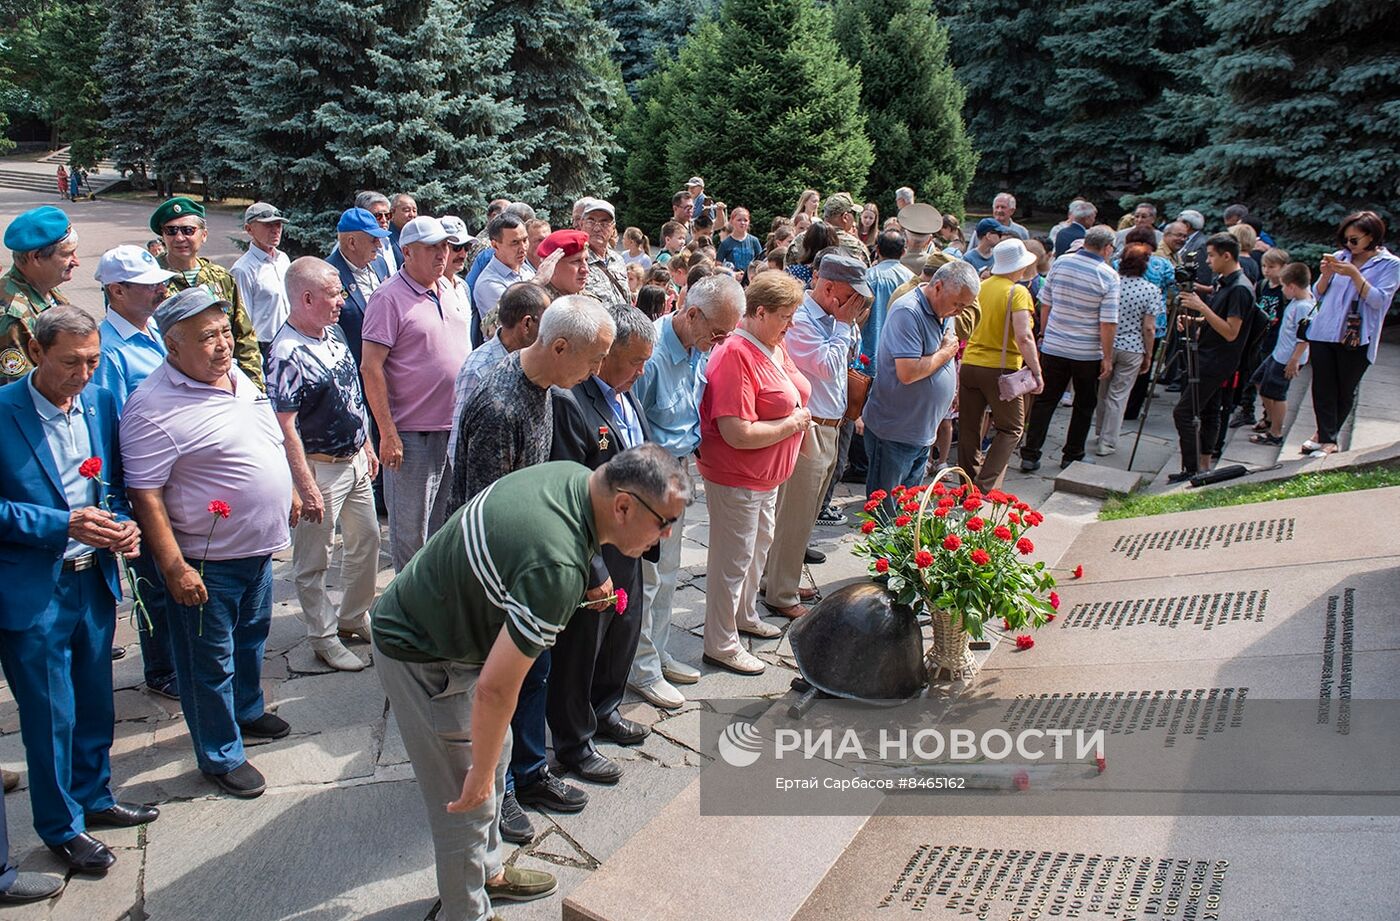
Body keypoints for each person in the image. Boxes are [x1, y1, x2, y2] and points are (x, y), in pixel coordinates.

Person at [371, 445, 688, 921]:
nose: (664, 536)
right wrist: (477, 775)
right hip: (422, 652)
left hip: (451, 629)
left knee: (496, 761)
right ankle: (466, 911)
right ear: (622, 505)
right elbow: (496, 691)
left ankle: (490, 875)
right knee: (466, 799)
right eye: (663, 522)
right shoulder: (556, 569)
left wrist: (488, 764)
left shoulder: (575, 479)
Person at [448, 296, 615, 846]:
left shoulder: (548, 389)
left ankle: (530, 771)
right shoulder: (500, 405)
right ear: (559, 345)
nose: (596, 374)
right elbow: (487, 516)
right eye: (593, 360)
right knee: (501, 684)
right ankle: (498, 795)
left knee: (535, 674)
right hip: (495, 579)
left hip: (527, 570)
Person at [121, 288, 297, 799]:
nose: (223, 345)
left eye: (224, 332)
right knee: (207, 662)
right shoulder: (152, 406)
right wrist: (174, 566)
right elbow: (145, 494)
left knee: (250, 640)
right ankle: (220, 753)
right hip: (205, 559)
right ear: (172, 346)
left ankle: (245, 711)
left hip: (255, 551)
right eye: (207, 338)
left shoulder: (234, 375)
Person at [0, 307, 156, 873]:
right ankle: (60, 827)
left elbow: (108, 485)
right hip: (34, 589)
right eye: (71, 362)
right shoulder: (3, 412)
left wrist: (121, 523)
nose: (83, 373)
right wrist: (59, 523)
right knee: (50, 715)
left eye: (93, 361)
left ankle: (94, 796)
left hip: (93, 578)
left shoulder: (98, 401)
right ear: (37, 353)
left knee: (95, 703)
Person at [547, 306, 658, 786]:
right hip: (596, 546)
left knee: (623, 633)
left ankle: (606, 709)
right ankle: (573, 742)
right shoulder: (573, 401)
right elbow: (570, 490)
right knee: (581, 647)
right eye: (634, 361)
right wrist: (593, 568)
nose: (640, 372)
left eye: (645, 363)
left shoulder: (625, 394)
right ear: (605, 353)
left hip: (629, 540)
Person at [629, 275, 742, 709]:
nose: (720, 342)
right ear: (690, 313)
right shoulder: (652, 355)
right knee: (647, 577)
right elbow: (630, 421)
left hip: (678, 468)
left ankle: (655, 653)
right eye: (716, 332)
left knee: (669, 574)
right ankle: (640, 668)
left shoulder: (697, 346)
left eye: (726, 334)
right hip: (649, 474)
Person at [267, 258, 381, 672]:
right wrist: (304, 485)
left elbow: (351, 394)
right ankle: (323, 636)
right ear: (308, 297)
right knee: (315, 558)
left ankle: (353, 616)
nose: (342, 300)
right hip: (320, 467)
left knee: (366, 540)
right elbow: (285, 426)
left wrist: (366, 443)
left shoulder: (331, 335)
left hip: (353, 461)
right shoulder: (286, 352)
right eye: (334, 293)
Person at [698, 273, 811, 675]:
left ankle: (744, 616)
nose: (791, 324)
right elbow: (737, 432)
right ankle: (721, 642)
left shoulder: (771, 344)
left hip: (765, 478)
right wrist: (794, 424)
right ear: (758, 312)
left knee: (756, 550)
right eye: (785, 316)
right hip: (737, 476)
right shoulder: (734, 354)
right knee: (733, 560)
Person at [92, 245, 181, 699]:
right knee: (154, 581)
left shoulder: (153, 333)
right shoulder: (109, 353)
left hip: (173, 476)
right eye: (149, 286)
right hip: (140, 482)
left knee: (174, 572)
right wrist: (117, 505)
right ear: (116, 290)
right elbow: (105, 430)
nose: (160, 290)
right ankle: (162, 670)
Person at [759, 254, 869, 619]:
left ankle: (778, 578)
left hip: (831, 426)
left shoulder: (836, 320)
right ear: (829, 287)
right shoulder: (803, 319)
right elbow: (824, 365)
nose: (858, 303)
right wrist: (842, 326)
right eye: (853, 294)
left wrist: (844, 326)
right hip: (811, 427)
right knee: (795, 513)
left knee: (805, 514)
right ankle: (781, 591)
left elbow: (842, 365)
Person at [361, 215, 472, 571]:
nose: (443, 254)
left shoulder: (453, 289)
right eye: (432, 248)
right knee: (411, 535)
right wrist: (388, 433)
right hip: (411, 435)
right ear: (406, 252)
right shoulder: (388, 298)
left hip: (452, 428)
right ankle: (406, 614)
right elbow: (371, 367)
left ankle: (430, 607)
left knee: (442, 531)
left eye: (445, 246)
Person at [862, 260, 978, 499]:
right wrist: (946, 353)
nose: (959, 311)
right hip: (894, 431)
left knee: (907, 508)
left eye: (964, 306)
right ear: (937, 286)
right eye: (957, 304)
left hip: (922, 430)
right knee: (886, 511)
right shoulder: (909, 311)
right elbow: (909, 372)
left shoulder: (944, 311)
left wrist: (950, 388)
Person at [1017, 225, 1120, 472]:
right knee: (1084, 404)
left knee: (1045, 400)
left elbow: (1046, 302)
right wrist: (1107, 356)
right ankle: (1073, 454)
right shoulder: (1108, 275)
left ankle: (1030, 454)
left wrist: (1045, 333)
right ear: (1107, 248)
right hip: (1087, 352)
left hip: (1054, 345)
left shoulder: (1062, 263)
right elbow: (1108, 322)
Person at [1303, 211, 1399, 457]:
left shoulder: (1390, 265)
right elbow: (1319, 293)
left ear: (1372, 236)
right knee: (1322, 386)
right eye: (1345, 239)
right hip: (1325, 331)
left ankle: (1324, 436)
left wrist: (1356, 275)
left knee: (1345, 388)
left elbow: (1378, 301)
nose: (1349, 245)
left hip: (1357, 336)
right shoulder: (1340, 257)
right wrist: (1326, 274)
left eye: (1354, 240)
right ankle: (1326, 438)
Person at [1167, 233, 1255, 481]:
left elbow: (1230, 332)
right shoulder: (1225, 282)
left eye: (1212, 255)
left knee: (1183, 413)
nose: (1208, 261)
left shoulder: (1239, 288)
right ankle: (1203, 463)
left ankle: (1192, 468)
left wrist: (1201, 307)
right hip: (1208, 354)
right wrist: (1195, 320)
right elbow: (1219, 321)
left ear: (1227, 256)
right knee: (1209, 412)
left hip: (1216, 361)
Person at [151, 197, 263, 388]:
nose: (179, 238)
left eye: (188, 230)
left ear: (203, 235)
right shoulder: (150, 280)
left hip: (221, 381)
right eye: (171, 231)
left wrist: (255, 387)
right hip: (172, 385)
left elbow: (243, 335)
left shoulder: (220, 277)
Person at [958, 239, 1044, 490]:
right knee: (1012, 428)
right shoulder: (1017, 292)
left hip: (970, 364)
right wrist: (1037, 372)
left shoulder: (981, 287)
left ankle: (965, 486)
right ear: (1019, 266)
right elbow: (1024, 336)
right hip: (1002, 369)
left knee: (969, 429)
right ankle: (984, 486)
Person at [447, 284, 550, 463]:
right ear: (526, 324)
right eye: (547, 322)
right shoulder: (479, 370)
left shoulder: (537, 362)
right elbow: (458, 445)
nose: (549, 331)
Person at [1, 206, 78, 386]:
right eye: (67, 254)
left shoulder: (47, 289)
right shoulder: (12, 316)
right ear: (35, 257)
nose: (76, 261)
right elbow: (18, 396)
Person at [1093, 243, 1157, 456]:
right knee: (1118, 395)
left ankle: (1100, 430)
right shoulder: (1150, 290)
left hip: (1106, 343)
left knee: (1103, 391)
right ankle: (1107, 441)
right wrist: (1149, 353)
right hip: (1133, 348)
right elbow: (1149, 327)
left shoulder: (1112, 283)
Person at [1249, 262, 1315, 447]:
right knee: (1259, 379)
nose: (1283, 290)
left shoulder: (1303, 306)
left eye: (1284, 286)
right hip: (1279, 353)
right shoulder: (1299, 299)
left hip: (1288, 358)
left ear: (1292, 286)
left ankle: (1275, 432)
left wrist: (1294, 360)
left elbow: (1304, 337)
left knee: (1277, 394)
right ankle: (1270, 418)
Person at [324, 207, 391, 366]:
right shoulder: (327, 274)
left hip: (388, 360)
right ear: (352, 242)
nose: (379, 245)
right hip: (355, 364)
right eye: (373, 239)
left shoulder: (380, 263)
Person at [230, 202, 291, 356]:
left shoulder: (282, 259)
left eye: (278, 224)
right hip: (264, 348)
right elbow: (242, 321)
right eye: (268, 225)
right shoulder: (243, 269)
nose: (276, 230)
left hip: (290, 342)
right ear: (249, 229)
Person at [472, 213, 536, 347]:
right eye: (515, 243)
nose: (523, 248)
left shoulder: (526, 270)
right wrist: (539, 281)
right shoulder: (488, 283)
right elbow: (516, 318)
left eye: (525, 240)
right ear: (495, 245)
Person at [355, 191, 399, 274]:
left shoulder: (387, 241)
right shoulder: (351, 246)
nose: (384, 220)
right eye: (377, 216)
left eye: (387, 215)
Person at [716, 207, 764, 279]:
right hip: (732, 281)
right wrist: (732, 274)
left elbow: (761, 263)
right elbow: (718, 266)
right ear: (732, 221)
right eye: (739, 220)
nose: (742, 223)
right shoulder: (725, 243)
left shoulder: (754, 241)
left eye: (745, 220)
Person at [387, 192, 418, 266]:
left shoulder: (417, 235)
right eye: (407, 210)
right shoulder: (386, 238)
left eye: (414, 211)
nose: (412, 215)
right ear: (392, 212)